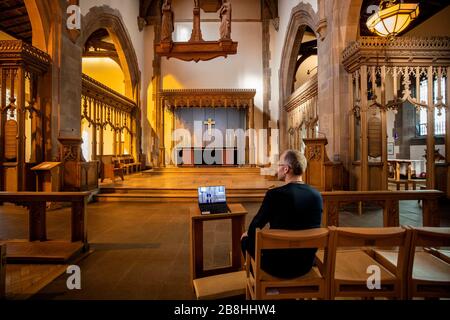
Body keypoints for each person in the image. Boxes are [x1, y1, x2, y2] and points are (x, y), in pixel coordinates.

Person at [241, 150, 323, 278]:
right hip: (304, 264)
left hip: (277, 266)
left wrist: (248, 235)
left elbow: (253, 229)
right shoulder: (316, 195)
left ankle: (262, 281)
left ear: (286, 169)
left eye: (279, 165)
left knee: (245, 239)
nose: (277, 169)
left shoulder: (274, 194)